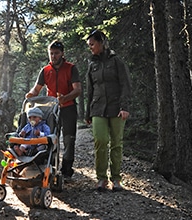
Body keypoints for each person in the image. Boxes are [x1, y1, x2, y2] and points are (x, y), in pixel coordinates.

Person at [25, 40, 82, 180]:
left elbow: (78, 90)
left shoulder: (71, 68)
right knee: (50, 138)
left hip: (68, 108)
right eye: (51, 53)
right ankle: (48, 166)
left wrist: (65, 98)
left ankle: (67, 170)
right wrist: (31, 95)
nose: (53, 56)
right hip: (51, 110)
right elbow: (36, 88)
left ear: (62, 53)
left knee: (69, 140)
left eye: (56, 53)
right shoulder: (45, 71)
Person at [85, 30, 131, 191]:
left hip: (116, 108)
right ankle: (101, 179)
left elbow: (125, 84)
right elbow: (89, 89)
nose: (90, 47)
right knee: (101, 141)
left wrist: (124, 107)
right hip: (97, 108)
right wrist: (87, 113)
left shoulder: (116, 61)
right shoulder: (92, 64)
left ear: (101, 43)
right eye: (88, 45)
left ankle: (116, 179)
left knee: (116, 143)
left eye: (92, 44)